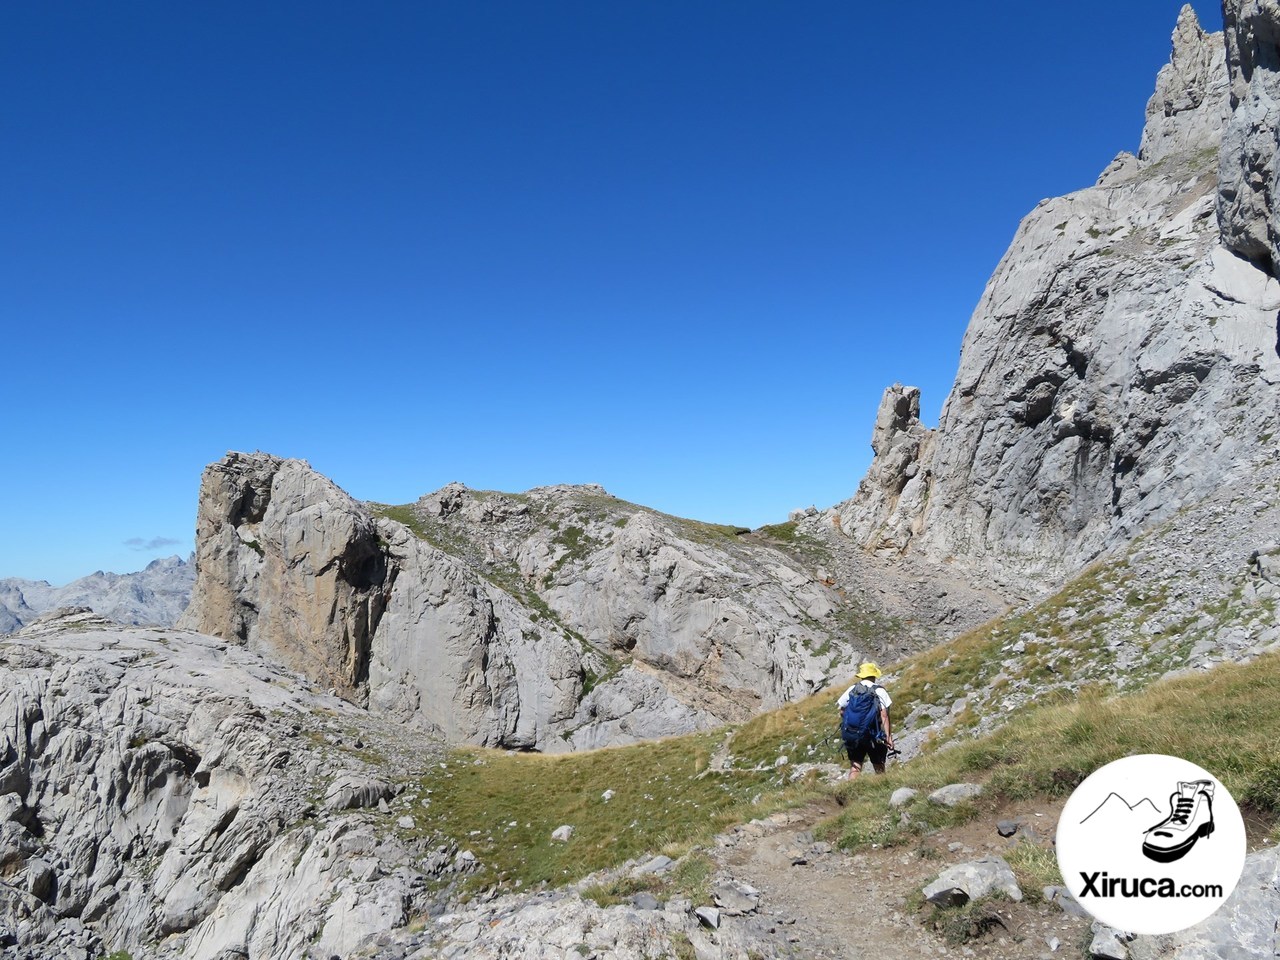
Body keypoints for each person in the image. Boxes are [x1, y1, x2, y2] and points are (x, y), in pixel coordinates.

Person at [836, 662, 894, 780]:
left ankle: (851, 792)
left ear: (861, 676)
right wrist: (888, 737)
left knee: (855, 766)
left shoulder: (852, 689)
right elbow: (884, 715)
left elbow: (841, 710)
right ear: (874, 675)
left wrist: (853, 722)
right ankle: (881, 788)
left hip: (852, 733)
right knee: (878, 764)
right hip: (872, 734)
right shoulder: (879, 690)